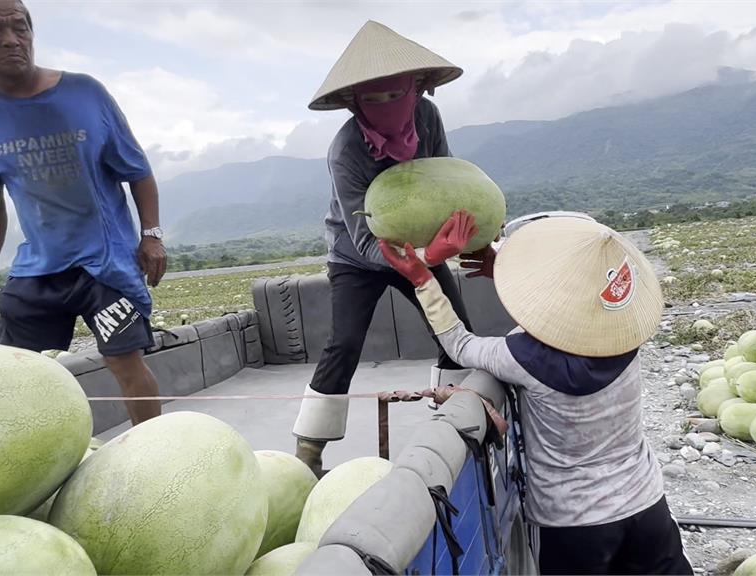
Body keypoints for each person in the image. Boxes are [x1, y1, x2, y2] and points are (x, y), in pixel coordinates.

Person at [381, 211, 694, 575]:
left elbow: (459, 344)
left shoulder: (525, 357)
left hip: (576, 522)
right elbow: (579, 304)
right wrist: (501, 267)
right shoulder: (624, 334)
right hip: (646, 503)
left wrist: (422, 278)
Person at [0, 0, 163, 425]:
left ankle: (156, 456)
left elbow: (138, 171)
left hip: (105, 262)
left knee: (124, 363)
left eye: (20, 27)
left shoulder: (85, 93)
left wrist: (151, 234)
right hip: (39, 267)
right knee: (16, 372)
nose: (12, 39)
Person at [292, 21, 476, 475]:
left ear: (417, 89)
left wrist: (453, 243)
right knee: (345, 344)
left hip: (420, 247)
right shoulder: (346, 151)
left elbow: (445, 181)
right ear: (354, 104)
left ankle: (452, 427)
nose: (387, 107)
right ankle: (308, 452)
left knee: (455, 331)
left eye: (395, 96)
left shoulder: (428, 120)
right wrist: (427, 260)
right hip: (356, 258)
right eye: (372, 101)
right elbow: (364, 240)